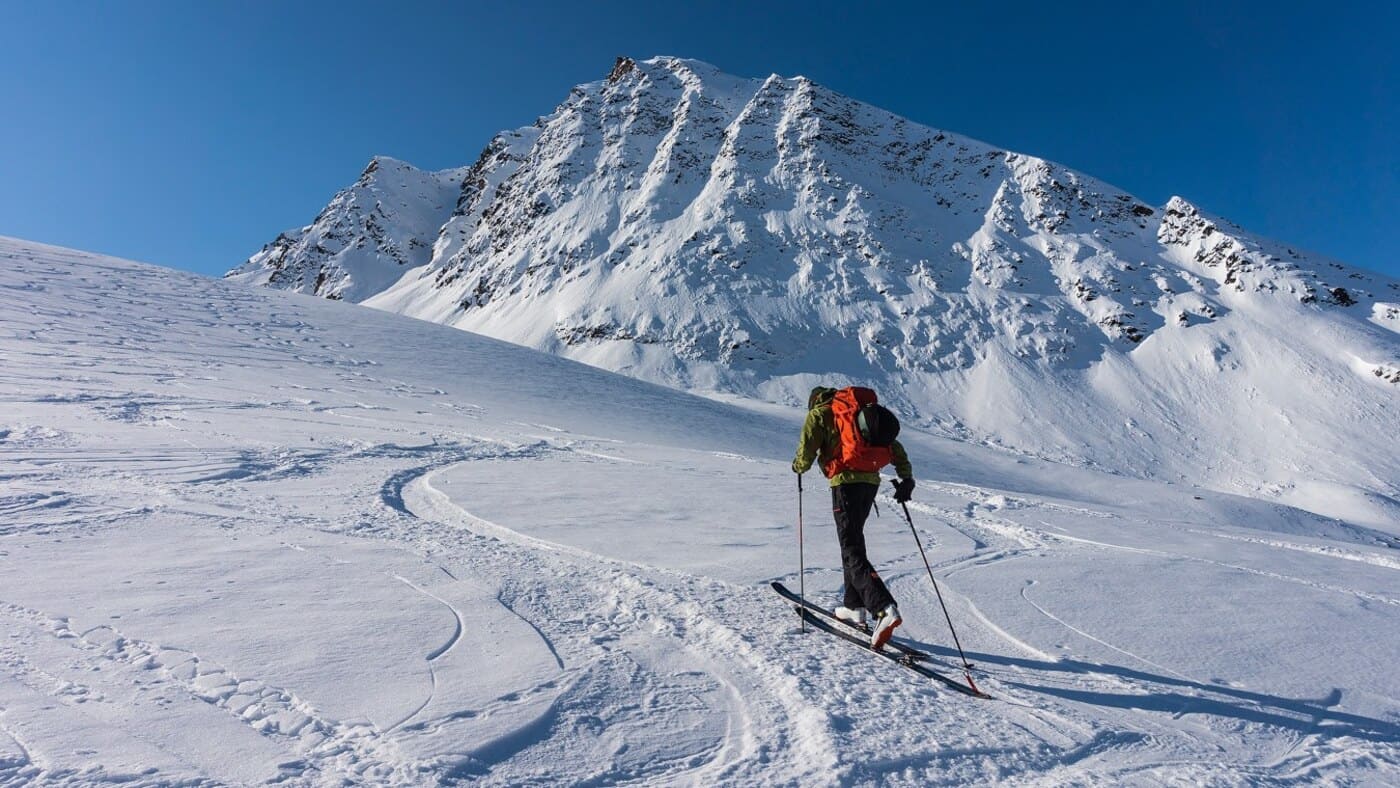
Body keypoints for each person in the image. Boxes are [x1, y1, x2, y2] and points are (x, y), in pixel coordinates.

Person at [792, 386, 915, 651]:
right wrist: (906, 476)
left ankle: (883, 609)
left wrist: (798, 466)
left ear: (814, 400)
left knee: (851, 549)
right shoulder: (859, 413)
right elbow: (894, 446)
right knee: (853, 545)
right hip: (869, 483)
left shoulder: (820, 414)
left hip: (844, 483)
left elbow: (807, 449)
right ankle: (853, 606)